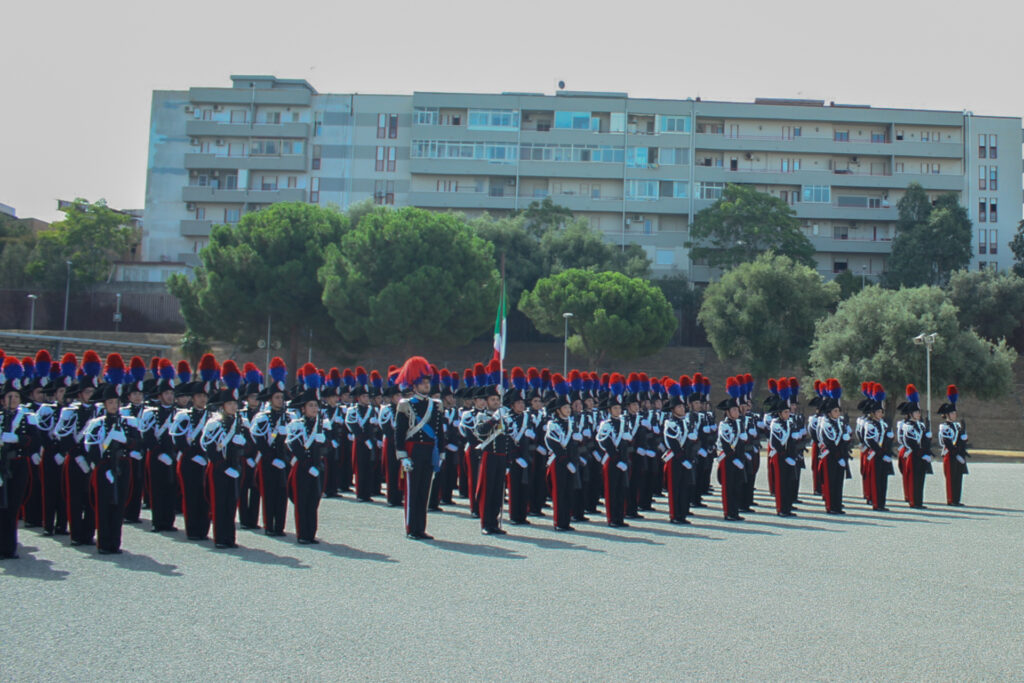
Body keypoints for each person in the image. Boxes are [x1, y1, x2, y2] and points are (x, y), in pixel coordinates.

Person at [394, 356, 446, 540]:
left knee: (425, 490)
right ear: (414, 385)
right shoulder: (405, 405)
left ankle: (421, 527)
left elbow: (439, 431)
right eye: (422, 383)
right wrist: (403, 456)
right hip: (413, 450)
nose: (426, 386)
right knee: (412, 490)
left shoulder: (436, 405)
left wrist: (441, 452)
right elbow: (399, 433)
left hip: (429, 451)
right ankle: (411, 528)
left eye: (427, 382)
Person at [56, 350, 102, 546]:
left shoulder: (100, 412)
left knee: (91, 498)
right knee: (74, 498)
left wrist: (94, 459)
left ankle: (88, 533)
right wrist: (78, 457)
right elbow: (64, 437)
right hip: (75, 460)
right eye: (87, 392)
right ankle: (76, 534)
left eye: (93, 392)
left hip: (93, 460)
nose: (90, 395)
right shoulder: (70, 412)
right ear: (80, 394)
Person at [201, 361, 248, 549]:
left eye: (235, 403)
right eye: (229, 403)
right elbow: (209, 447)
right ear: (222, 405)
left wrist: (242, 449)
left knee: (231, 504)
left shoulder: (240, 423)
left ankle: (231, 538)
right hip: (220, 469)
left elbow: (249, 445)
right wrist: (224, 466)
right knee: (219, 504)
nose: (233, 407)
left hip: (235, 468)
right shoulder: (214, 423)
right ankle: (220, 538)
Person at [171, 353, 218, 541]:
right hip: (189, 461)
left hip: (206, 461)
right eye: (199, 396)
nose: (202, 399)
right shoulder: (184, 416)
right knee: (191, 495)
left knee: (205, 496)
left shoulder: (212, 417)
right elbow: (179, 439)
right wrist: (191, 454)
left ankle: (203, 529)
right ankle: (192, 529)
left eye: (205, 396)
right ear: (193, 397)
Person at [250, 358, 291, 537]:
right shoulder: (262, 418)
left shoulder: (288, 417)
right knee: (269, 494)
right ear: (270, 399)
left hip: (283, 461)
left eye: (282, 397)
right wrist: (272, 458)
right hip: (268, 461)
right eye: (277, 397)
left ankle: (279, 526)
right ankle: (269, 525)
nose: (280, 400)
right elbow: (259, 442)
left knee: (282, 494)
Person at [286, 365, 327, 544]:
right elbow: (295, 447)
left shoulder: (321, 424)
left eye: (315, 405)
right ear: (303, 408)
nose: (314, 408)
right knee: (302, 502)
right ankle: (303, 534)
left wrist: (319, 464)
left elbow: (327, 448)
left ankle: (311, 533)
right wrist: (309, 466)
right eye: (310, 405)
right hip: (302, 469)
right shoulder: (297, 425)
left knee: (314, 501)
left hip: (316, 468)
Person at [1, 358, 33, 559]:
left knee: (12, 506)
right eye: (9, 396)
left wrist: (17, 438)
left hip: (19, 464)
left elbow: (35, 441)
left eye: (16, 396)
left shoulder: (28, 416)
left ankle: (8, 547)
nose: (13, 400)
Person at [143, 359, 179, 532]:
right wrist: (158, 453)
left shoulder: (179, 414)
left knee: (171, 489)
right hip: (157, 457)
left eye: (171, 393)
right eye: (166, 393)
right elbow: (148, 436)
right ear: (159, 396)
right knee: (157, 490)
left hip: (172, 455)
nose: (170, 396)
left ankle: (169, 521)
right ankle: (158, 522)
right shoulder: (151, 414)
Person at [544, 374, 576, 532]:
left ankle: (566, 521)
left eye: (569, 408)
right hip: (558, 462)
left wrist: (574, 461)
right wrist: (566, 461)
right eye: (565, 408)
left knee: (568, 491)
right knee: (559, 492)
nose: (568, 410)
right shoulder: (553, 425)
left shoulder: (570, 424)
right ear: (558, 410)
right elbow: (554, 445)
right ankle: (558, 522)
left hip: (569, 462)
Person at [597, 375, 630, 527]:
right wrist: (617, 461)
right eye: (615, 408)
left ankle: (620, 517)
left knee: (621, 490)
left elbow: (625, 443)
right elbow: (607, 444)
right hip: (611, 461)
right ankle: (612, 519)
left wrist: (624, 460)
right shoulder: (606, 425)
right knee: (611, 491)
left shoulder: (624, 423)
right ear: (609, 410)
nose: (618, 410)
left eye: (619, 408)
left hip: (622, 460)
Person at [661, 379, 694, 524]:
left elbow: (690, 442)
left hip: (686, 459)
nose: (682, 408)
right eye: (679, 407)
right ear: (673, 409)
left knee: (684, 486)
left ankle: (683, 513)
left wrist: (690, 457)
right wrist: (683, 459)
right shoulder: (670, 423)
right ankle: (674, 515)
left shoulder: (686, 422)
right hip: (675, 459)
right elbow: (674, 445)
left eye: (682, 406)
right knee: (674, 488)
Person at [715, 378, 746, 521]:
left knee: (737, 486)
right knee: (728, 487)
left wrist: (741, 458)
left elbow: (741, 444)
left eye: (737, 409)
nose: (736, 411)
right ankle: (728, 512)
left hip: (737, 459)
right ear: (727, 412)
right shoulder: (724, 425)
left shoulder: (739, 424)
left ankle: (735, 511)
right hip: (727, 460)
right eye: (733, 409)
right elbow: (726, 445)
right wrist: (734, 459)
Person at [897, 384, 932, 509]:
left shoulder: (921, 426)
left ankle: (919, 501)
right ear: (911, 413)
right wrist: (923, 454)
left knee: (921, 478)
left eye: (919, 411)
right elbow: (911, 443)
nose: (919, 414)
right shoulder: (908, 426)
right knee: (913, 479)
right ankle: (913, 501)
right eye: (916, 412)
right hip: (914, 455)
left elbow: (924, 442)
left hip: (921, 455)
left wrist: (927, 450)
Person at [937, 385, 968, 506]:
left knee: (958, 477)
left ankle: (957, 499)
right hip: (950, 455)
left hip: (958, 454)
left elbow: (960, 441)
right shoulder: (944, 426)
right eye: (952, 413)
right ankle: (951, 499)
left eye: (955, 412)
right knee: (951, 478)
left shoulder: (958, 426)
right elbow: (948, 443)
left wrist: (963, 439)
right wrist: (956, 453)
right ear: (947, 415)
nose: (955, 414)